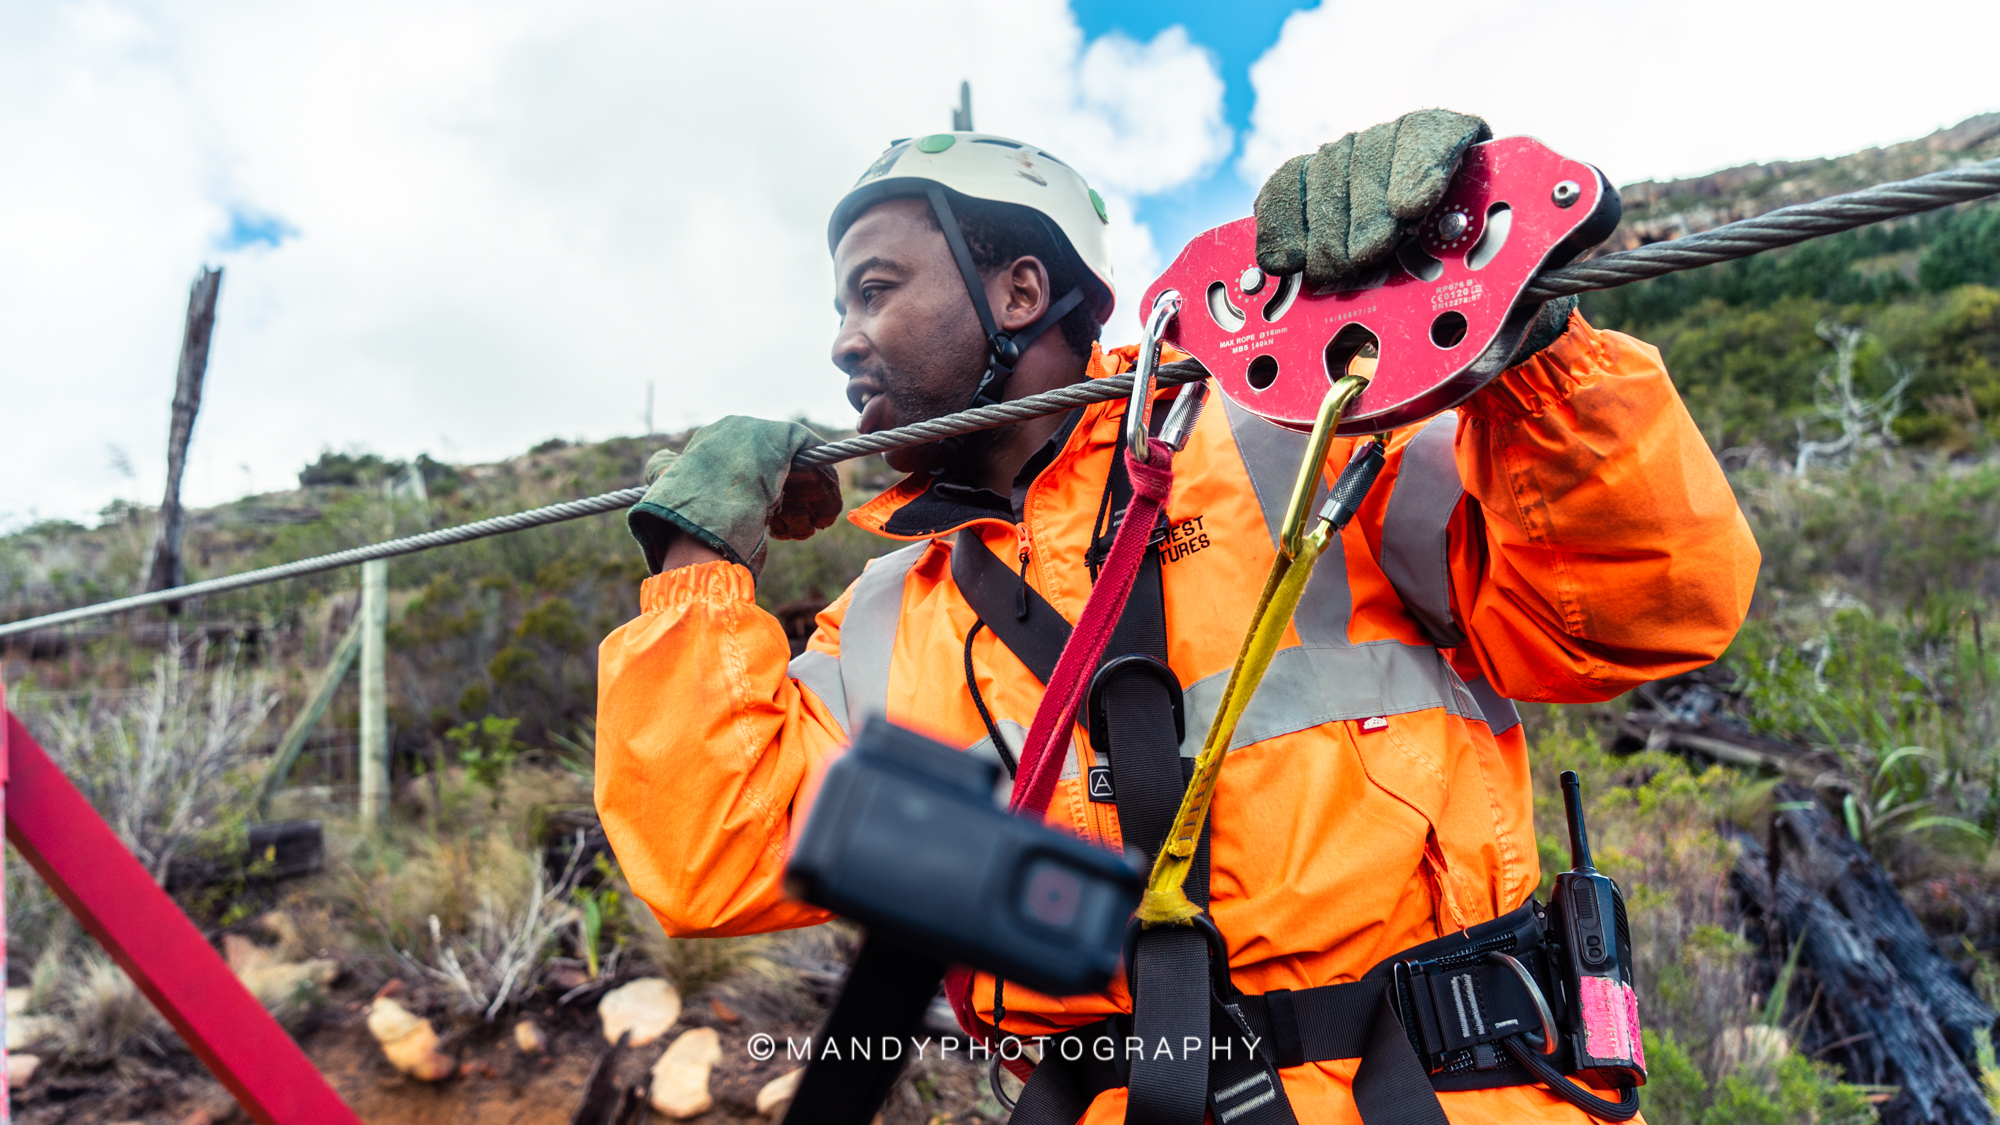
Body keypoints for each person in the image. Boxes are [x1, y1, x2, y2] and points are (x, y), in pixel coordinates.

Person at [596, 109, 1759, 1124]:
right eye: (841, 305)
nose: (843, 339)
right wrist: (696, 558)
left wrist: (1512, 335)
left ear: (1019, 291)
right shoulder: (887, 613)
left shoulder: (1305, 439)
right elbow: (709, 859)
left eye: (875, 289)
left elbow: (1633, 611)